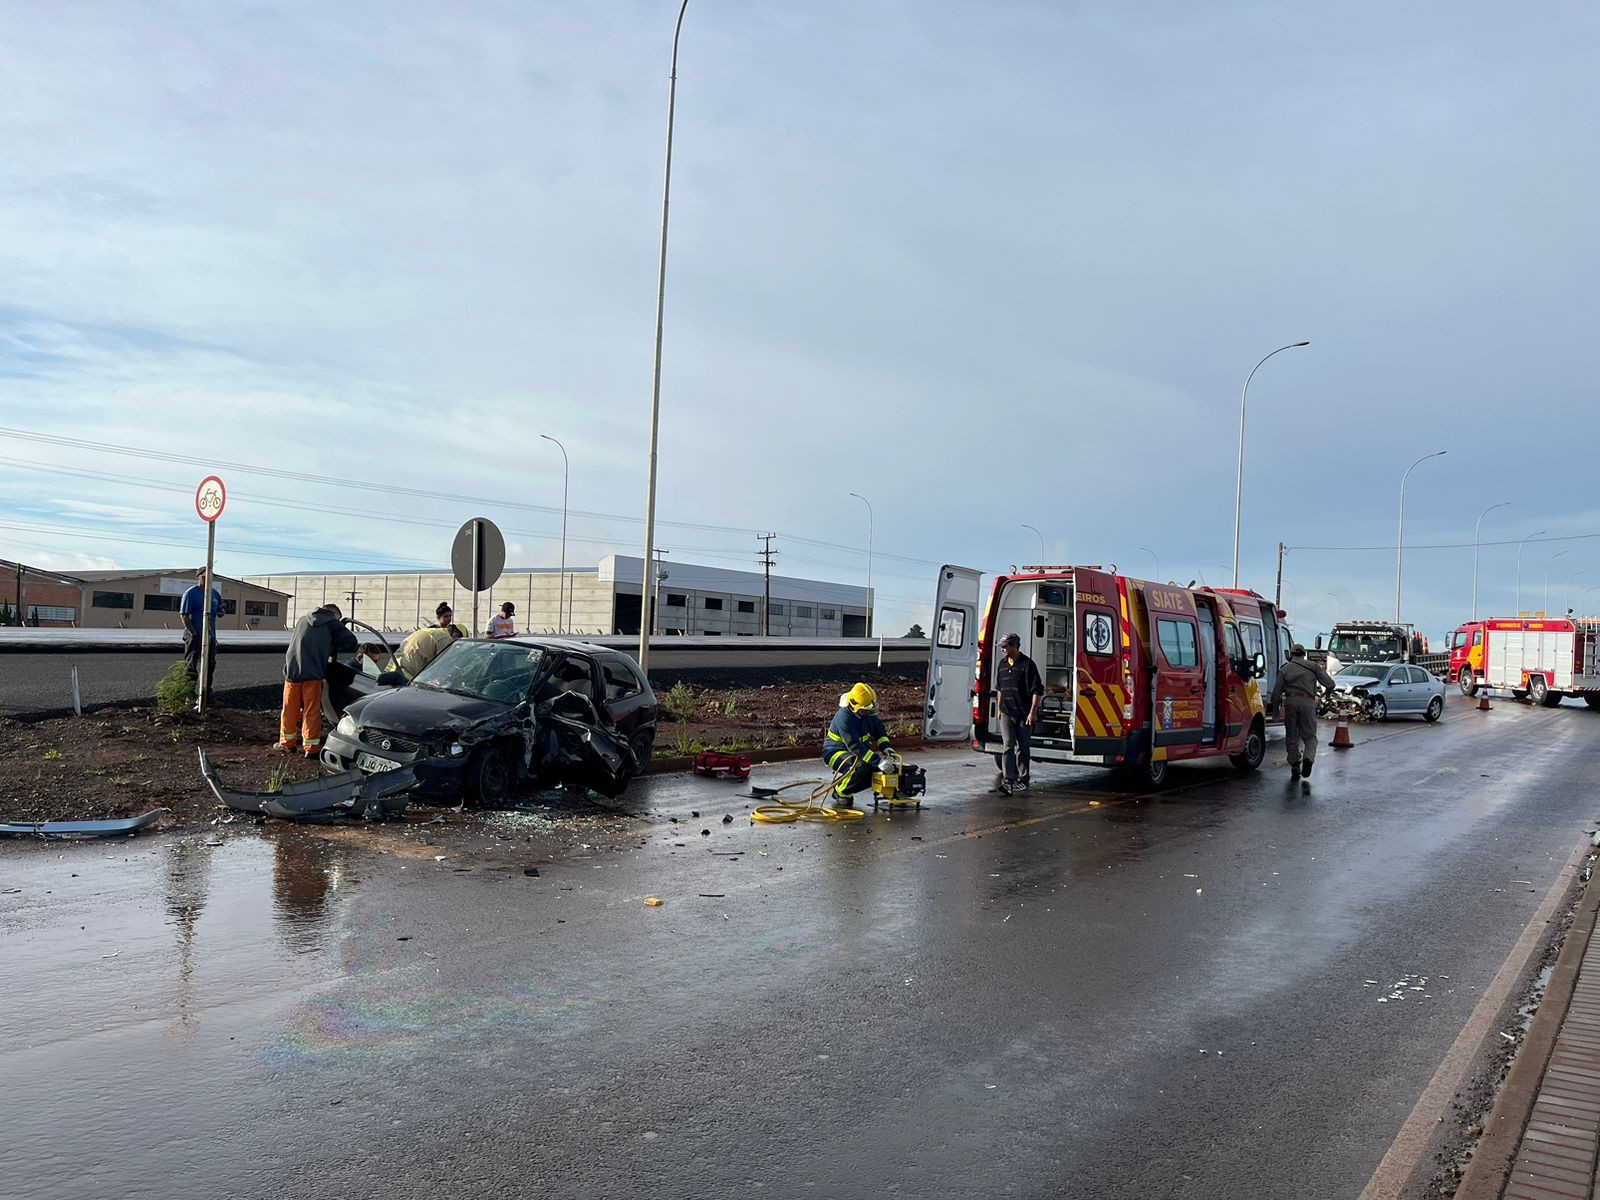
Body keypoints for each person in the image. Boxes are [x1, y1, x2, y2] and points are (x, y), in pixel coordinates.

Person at [281, 604, 361, 757]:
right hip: (313, 673)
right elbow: (350, 642)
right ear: (335, 614)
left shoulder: (303, 619)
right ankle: (311, 748)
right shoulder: (332, 623)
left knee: (289, 709)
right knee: (311, 711)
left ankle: (286, 744)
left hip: (292, 671)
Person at [1268, 644, 1337, 779]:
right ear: (1304, 654)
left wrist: (1275, 712)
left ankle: (1295, 764)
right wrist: (1327, 696)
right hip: (1308, 703)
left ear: (1291, 654)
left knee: (1292, 735)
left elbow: (1276, 694)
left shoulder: (1285, 669)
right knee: (1310, 737)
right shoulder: (1313, 667)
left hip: (1291, 703)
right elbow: (1330, 684)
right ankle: (1308, 758)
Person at [820, 682, 892, 807]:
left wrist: (887, 748)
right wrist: (878, 761)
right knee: (859, 766)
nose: (868, 714)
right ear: (854, 706)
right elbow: (854, 746)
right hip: (835, 752)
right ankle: (840, 791)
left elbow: (879, 731)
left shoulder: (865, 712)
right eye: (865, 711)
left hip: (856, 751)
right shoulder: (844, 718)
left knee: (874, 770)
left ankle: (846, 784)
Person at [992, 632, 1044, 795]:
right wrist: (1000, 708)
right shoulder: (1002, 664)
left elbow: (1037, 691)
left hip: (1024, 714)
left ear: (1014, 646)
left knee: (1022, 747)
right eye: (1001, 647)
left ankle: (1023, 779)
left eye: (1005, 646)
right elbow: (999, 688)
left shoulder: (1028, 665)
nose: (1002, 649)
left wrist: (1032, 713)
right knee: (1008, 746)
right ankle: (1007, 781)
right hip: (1007, 713)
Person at [180, 568, 224, 703]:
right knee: (191, 665)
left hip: (210, 635)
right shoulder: (191, 593)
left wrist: (221, 612)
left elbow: (219, 610)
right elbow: (184, 615)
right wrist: (194, 633)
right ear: (198, 577)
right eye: (204, 576)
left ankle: (206, 695)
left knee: (209, 665)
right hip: (195, 634)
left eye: (210, 577)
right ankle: (189, 695)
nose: (207, 579)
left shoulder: (215, 594)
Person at [394, 621, 467, 678]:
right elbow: (443, 665)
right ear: (455, 634)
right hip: (407, 673)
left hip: (394, 667)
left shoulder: (432, 631)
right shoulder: (445, 638)